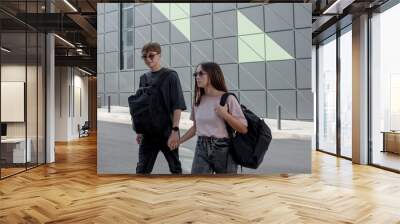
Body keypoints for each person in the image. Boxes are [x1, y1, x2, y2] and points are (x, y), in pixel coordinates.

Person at [179, 62, 248, 174]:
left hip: (223, 148)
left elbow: (243, 128)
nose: (197, 77)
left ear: (212, 75)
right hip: (201, 147)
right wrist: (179, 141)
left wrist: (226, 115)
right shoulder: (198, 101)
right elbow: (195, 128)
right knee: (198, 185)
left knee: (225, 188)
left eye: (201, 74)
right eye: (195, 74)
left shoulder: (228, 99)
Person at [136, 42, 186, 174]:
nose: (148, 59)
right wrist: (139, 130)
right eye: (144, 57)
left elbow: (177, 105)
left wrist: (175, 130)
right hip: (148, 134)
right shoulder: (143, 78)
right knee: (142, 170)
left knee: (175, 168)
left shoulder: (171, 76)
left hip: (168, 132)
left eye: (151, 56)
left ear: (159, 55)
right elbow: (141, 107)